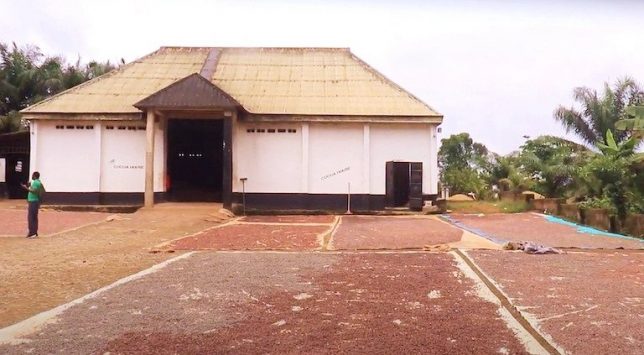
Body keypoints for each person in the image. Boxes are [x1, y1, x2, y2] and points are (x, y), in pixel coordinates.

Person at [21, 171, 44, 238]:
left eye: (32, 175)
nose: (32, 176)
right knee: (34, 217)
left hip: (33, 201)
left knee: (31, 217)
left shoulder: (36, 183)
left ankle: (32, 233)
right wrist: (29, 186)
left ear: (34, 176)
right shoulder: (37, 182)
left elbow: (34, 191)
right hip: (34, 201)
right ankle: (35, 232)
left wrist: (26, 188)